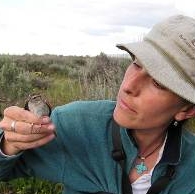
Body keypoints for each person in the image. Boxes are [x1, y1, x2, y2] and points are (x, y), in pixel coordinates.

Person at [0, 14, 195, 194]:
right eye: (136, 63)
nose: (128, 85)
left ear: (186, 110)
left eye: (158, 82)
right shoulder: (75, 124)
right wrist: (8, 144)